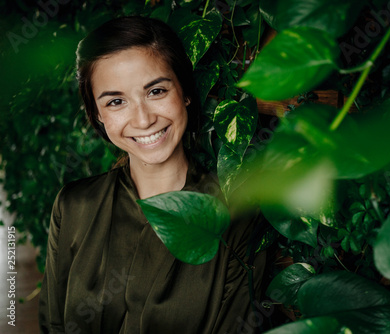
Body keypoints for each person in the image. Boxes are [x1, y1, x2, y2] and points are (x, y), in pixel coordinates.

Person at [39, 16, 269, 334]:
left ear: (185, 91)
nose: (144, 119)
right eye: (117, 101)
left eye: (156, 91)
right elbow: (53, 324)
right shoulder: (73, 205)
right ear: (97, 114)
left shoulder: (237, 212)